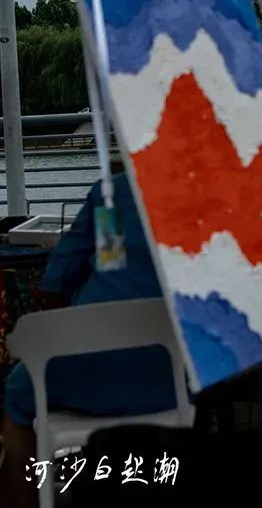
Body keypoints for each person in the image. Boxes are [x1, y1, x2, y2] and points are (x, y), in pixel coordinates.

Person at [1, 170, 178, 508]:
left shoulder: (113, 195)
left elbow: (59, 275)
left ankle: (28, 499)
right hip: (172, 375)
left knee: (16, 395)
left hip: (91, 368)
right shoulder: (211, 199)